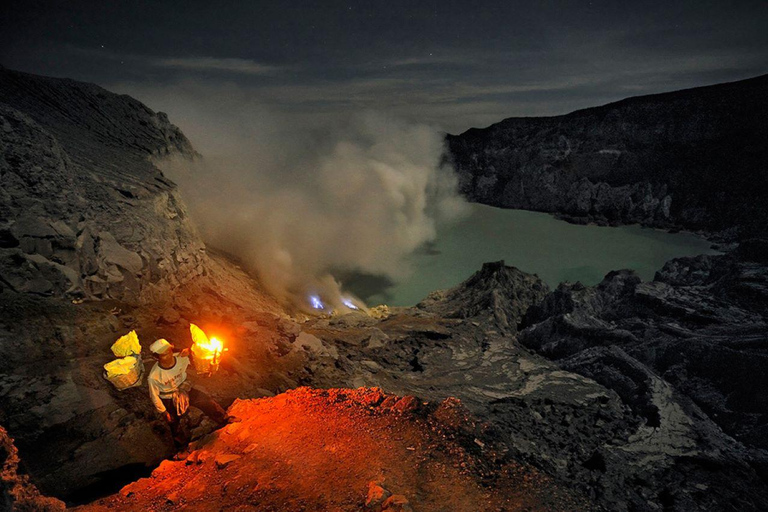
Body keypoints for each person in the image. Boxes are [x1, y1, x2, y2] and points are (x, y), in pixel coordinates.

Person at [148, 338, 228, 448]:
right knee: (173, 422)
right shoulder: (154, 376)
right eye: (164, 355)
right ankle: (182, 448)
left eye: (169, 352)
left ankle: (224, 418)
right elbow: (154, 396)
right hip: (168, 397)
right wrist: (164, 412)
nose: (169, 356)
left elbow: (197, 360)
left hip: (184, 388)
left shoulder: (181, 358)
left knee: (205, 401)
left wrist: (194, 353)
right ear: (157, 358)